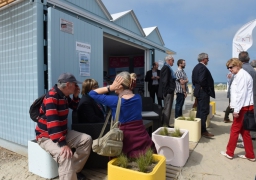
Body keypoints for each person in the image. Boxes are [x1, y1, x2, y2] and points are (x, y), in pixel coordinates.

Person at [35, 73, 92, 180]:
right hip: (46, 136)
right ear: (68, 84)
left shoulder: (64, 95)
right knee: (65, 155)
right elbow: (53, 123)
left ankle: (73, 172)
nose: (77, 87)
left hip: (61, 133)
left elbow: (74, 107)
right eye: (75, 84)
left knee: (86, 140)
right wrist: (63, 144)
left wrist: (75, 96)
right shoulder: (51, 97)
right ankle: (69, 174)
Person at [88, 71, 156, 158]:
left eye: (115, 82)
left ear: (119, 85)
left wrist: (110, 87)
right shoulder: (138, 98)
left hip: (125, 139)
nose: (113, 84)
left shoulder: (114, 101)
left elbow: (92, 93)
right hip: (141, 137)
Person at [220, 58, 255, 161]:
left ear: (237, 65)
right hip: (244, 107)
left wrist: (236, 110)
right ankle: (250, 155)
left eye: (230, 67)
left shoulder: (242, 76)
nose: (229, 69)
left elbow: (241, 95)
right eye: (228, 68)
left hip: (243, 108)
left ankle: (229, 152)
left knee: (235, 130)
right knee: (245, 132)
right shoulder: (239, 75)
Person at [192, 53, 215, 138]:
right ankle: (203, 130)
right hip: (203, 91)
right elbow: (202, 80)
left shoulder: (196, 67)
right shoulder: (202, 68)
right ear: (203, 59)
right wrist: (206, 89)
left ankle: (199, 129)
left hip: (198, 90)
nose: (208, 60)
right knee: (204, 111)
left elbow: (194, 80)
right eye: (207, 59)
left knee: (200, 111)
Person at [236, 52, 256, 148]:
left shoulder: (243, 70)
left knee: (245, 121)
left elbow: (241, 89)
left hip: (245, 100)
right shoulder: (251, 69)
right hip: (250, 98)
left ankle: (245, 142)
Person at [158, 55, 176, 127]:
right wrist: (169, 90)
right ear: (169, 60)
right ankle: (165, 125)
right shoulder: (166, 68)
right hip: (168, 92)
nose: (173, 62)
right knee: (167, 108)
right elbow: (165, 81)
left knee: (167, 108)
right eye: (173, 61)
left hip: (167, 91)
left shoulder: (167, 68)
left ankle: (165, 124)